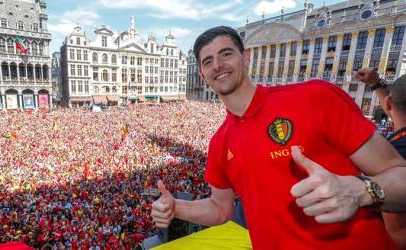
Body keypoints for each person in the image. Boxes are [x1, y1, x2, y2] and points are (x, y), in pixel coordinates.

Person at [151, 26, 406, 249]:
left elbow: (399, 175)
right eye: (207, 61)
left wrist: (362, 191)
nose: (217, 64)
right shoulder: (220, 142)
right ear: (203, 74)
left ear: (246, 57)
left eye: (226, 53)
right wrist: (176, 207)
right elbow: (221, 208)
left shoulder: (314, 97)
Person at [356, 68, 406, 249]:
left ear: (389, 102)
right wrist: (376, 84)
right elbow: (397, 111)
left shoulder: (395, 154)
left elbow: (397, 232)